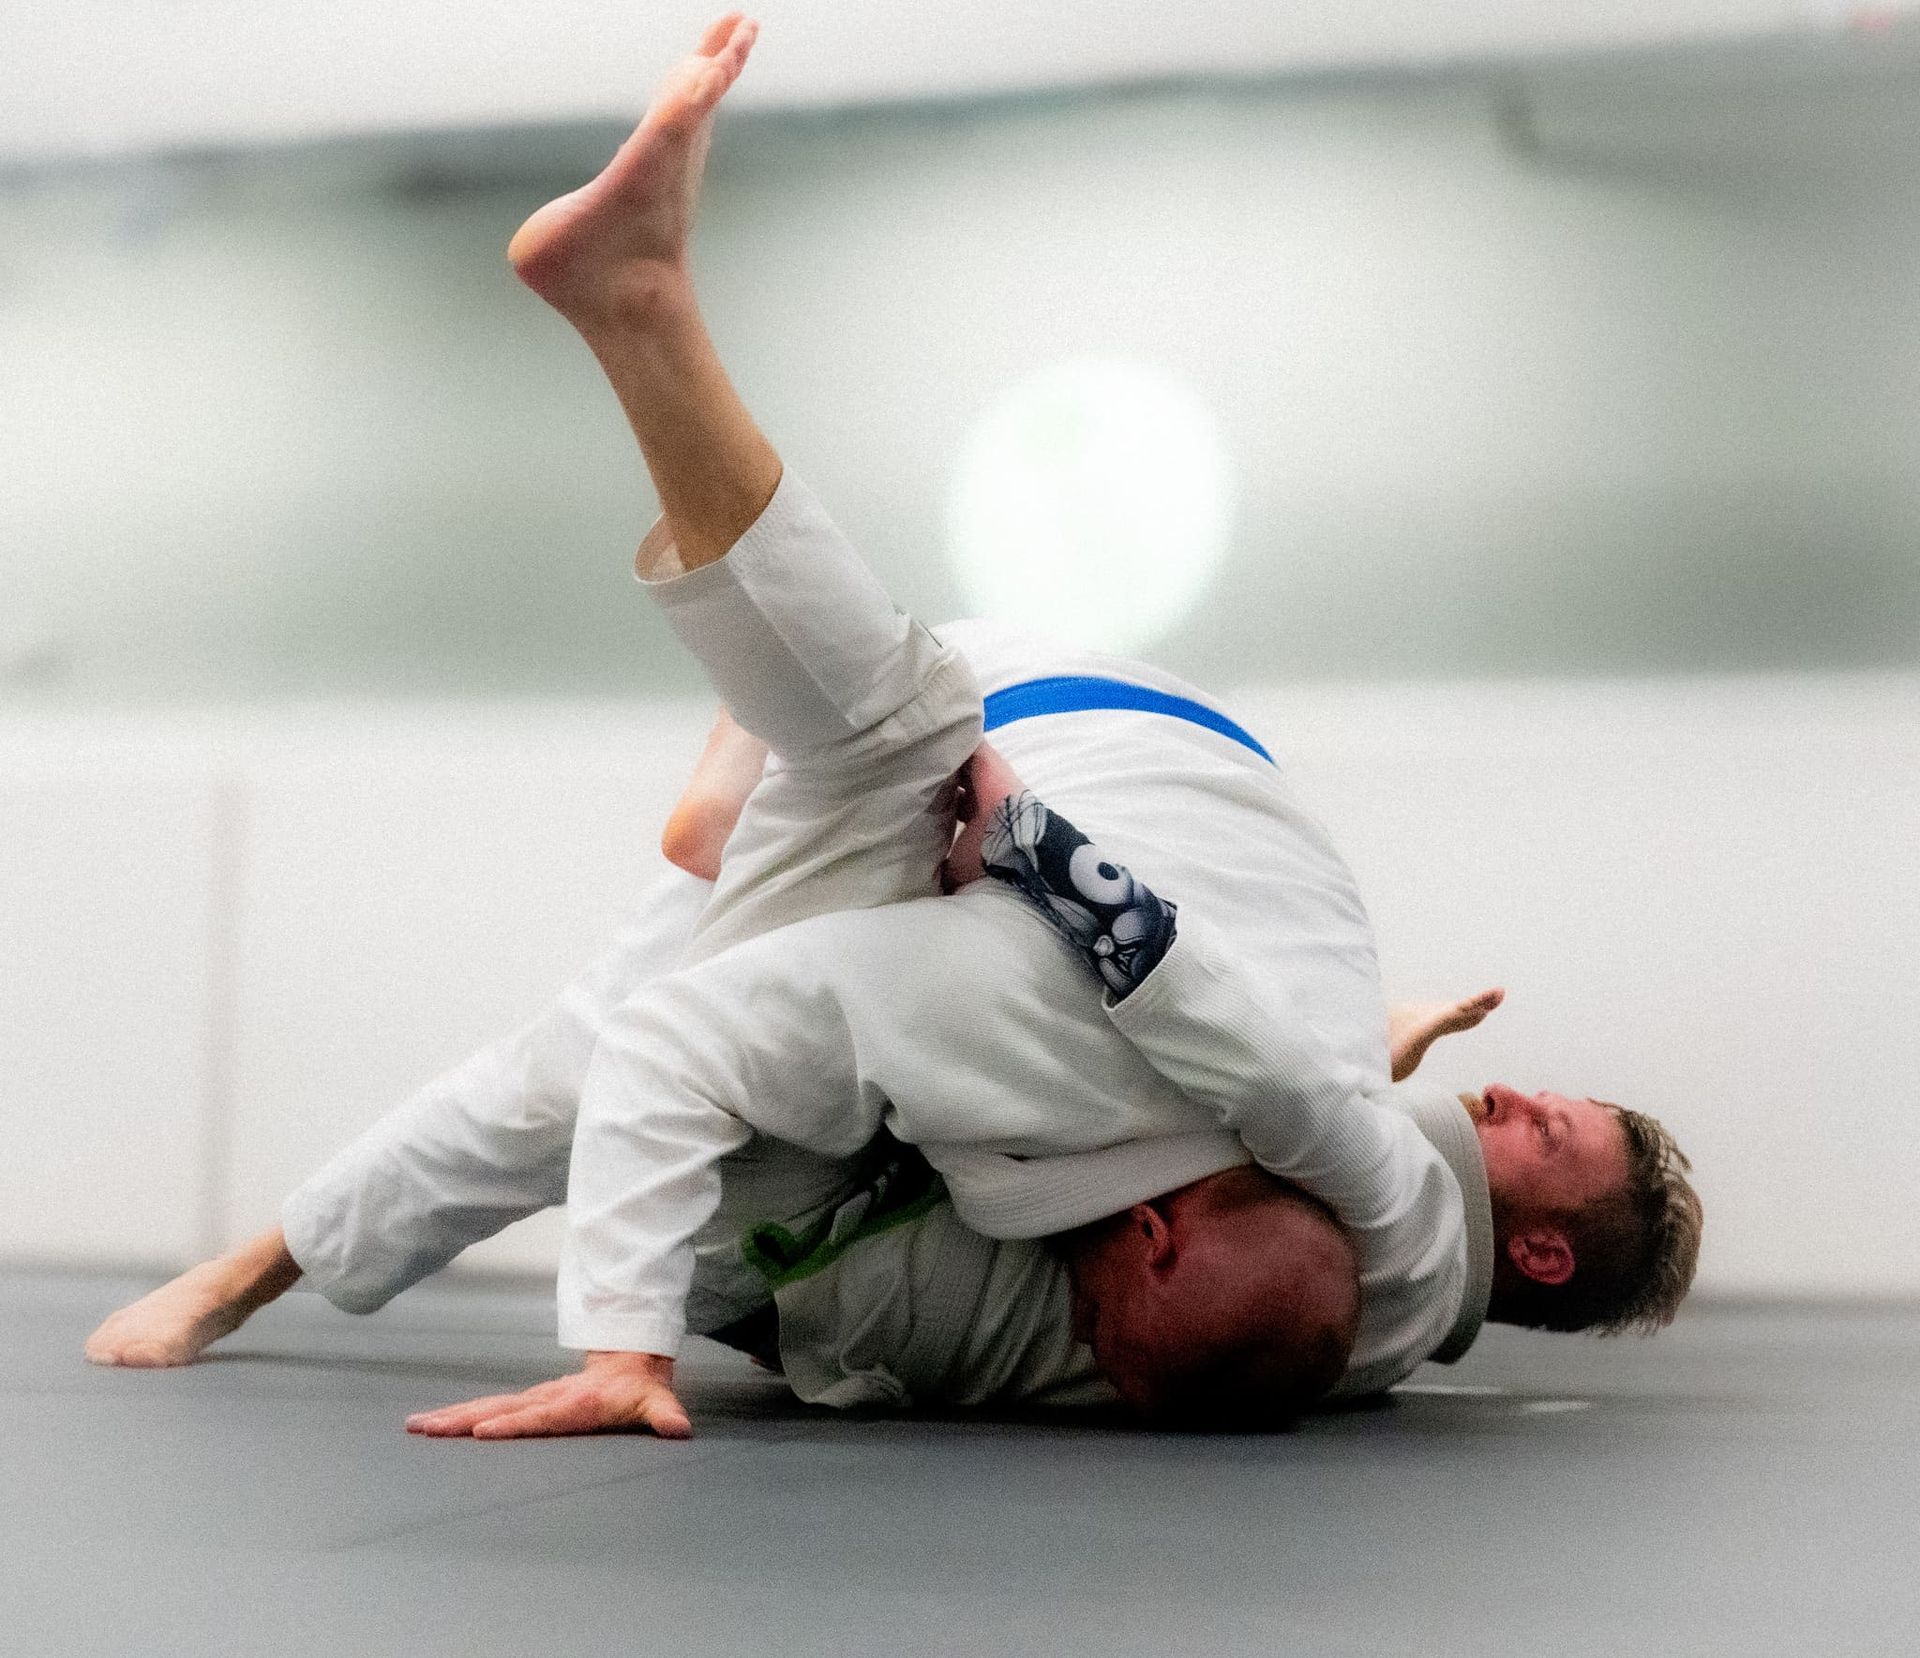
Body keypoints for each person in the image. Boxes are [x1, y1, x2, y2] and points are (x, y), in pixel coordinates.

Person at [85, 15, 1702, 1435]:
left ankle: (727, 701)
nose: (1516, 1101)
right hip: (1087, 755)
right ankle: (645, 329)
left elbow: (1263, 1061)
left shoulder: (1354, 1234)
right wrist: (1082, 872)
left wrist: (1046, 857)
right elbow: (1286, 1073)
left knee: (654, 990)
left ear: (1542, 1252)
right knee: (846, 789)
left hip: (1074, 751)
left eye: (1547, 1131)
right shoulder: (1349, 1252)